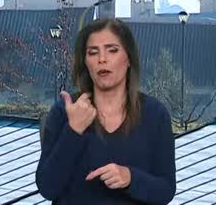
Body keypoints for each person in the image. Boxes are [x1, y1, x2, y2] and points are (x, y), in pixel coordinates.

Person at [36, 17, 177, 204]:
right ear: (86, 62)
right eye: (93, 53)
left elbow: (166, 190)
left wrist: (130, 178)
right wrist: (73, 131)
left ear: (128, 58)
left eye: (112, 50)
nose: (102, 59)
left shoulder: (155, 114)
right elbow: (48, 187)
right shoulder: (65, 111)